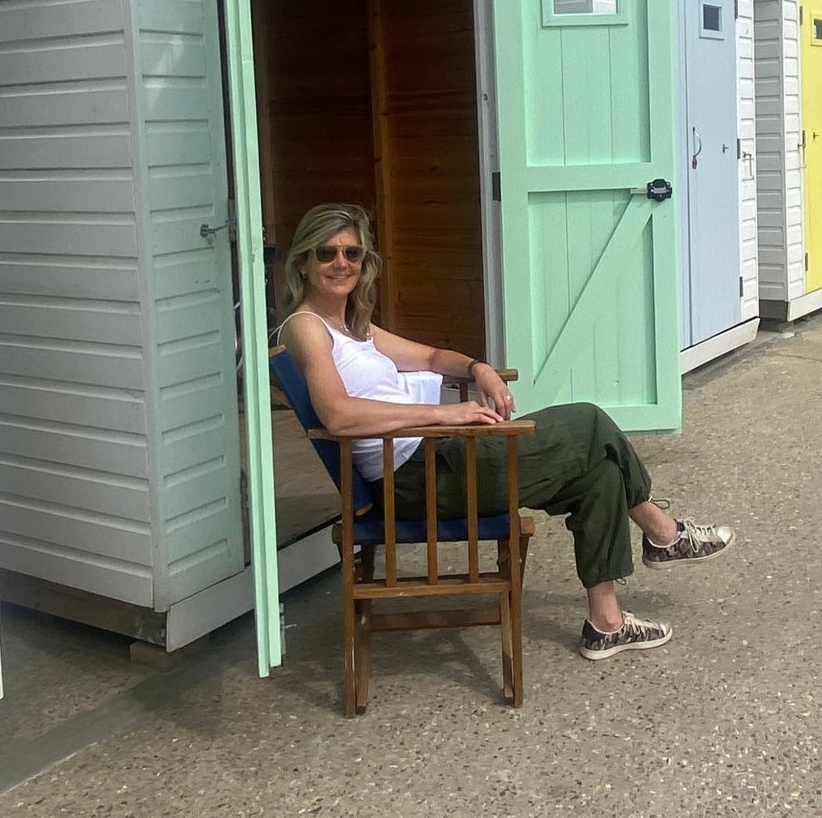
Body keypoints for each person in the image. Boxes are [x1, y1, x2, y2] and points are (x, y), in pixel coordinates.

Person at [278, 202, 735, 661]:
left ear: (365, 262)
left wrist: (480, 369)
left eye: (352, 253)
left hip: (439, 460)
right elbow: (338, 415)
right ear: (303, 261)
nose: (341, 264)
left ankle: (607, 623)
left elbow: (436, 359)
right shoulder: (306, 328)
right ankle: (663, 531)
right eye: (326, 253)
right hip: (416, 480)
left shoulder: (355, 329)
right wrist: (445, 416)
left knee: (600, 473)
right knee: (589, 421)